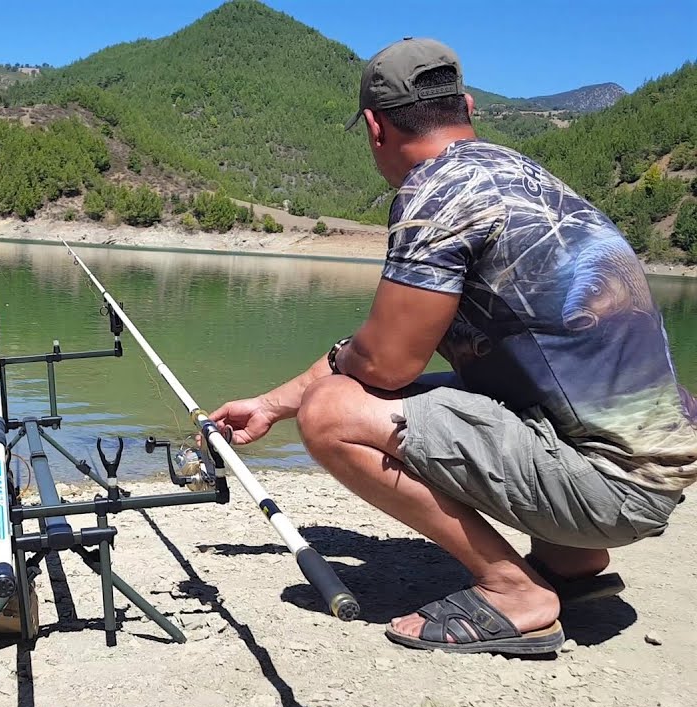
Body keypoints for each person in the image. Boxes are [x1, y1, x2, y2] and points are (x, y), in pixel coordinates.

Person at [210, 37, 696, 655]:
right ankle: (570, 563)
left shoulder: (437, 194)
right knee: (452, 386)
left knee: (331, 413)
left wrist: (303, 399)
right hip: (653, 470)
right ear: (466, 106)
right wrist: (270, 404)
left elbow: (383, 364)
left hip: (612, 488)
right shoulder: (531, 179)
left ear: (373, 126)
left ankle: (514, 592)